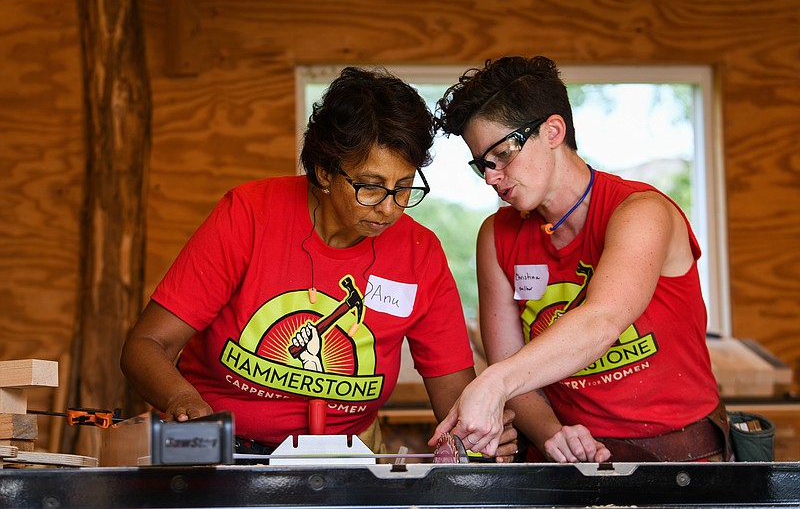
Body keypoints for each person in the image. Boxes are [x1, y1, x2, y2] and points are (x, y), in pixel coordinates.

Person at [121, 66, 517, 461]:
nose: (389, 208)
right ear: (325, 170)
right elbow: (146, 345)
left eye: (403, 188)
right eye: (370, 186)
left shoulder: (419, 252)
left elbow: (453, 396)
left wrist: (478, 433)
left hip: (347, 458)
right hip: (221, 453)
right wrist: (183, 400)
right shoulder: (248, 217)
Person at [428, 55, 730, 463]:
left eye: (501, 155)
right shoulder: (496, 236)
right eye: (481, 164)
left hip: (681, 456)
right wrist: (552, 433)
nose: (491, 177)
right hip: (566, 464)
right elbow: (513, 369)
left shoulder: (640, 212)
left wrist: (492, 383)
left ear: (553, 131)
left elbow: (601, 319)